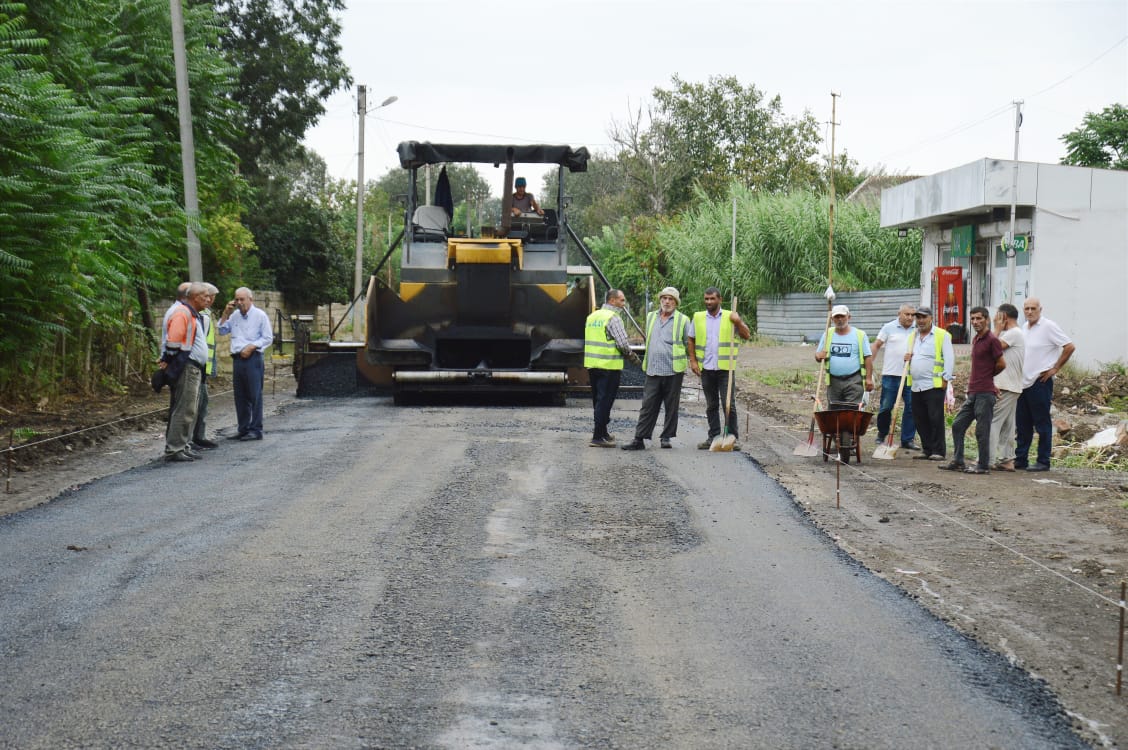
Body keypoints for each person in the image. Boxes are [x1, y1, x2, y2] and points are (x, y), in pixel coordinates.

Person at [622, 287, 693, 450]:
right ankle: (639, 439)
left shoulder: (683, 320)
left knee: (671, 405)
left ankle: (666, 437)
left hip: (673, 369)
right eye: (664, 298)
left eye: (670, 299)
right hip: (653, 368)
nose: (667, 302)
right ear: (660, 300)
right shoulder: (651, 316)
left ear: (676, 302)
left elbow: (687, 343)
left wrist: (693, 362)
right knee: (648, 405)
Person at [941, 306, 1005, 474]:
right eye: (973, 319)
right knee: (957, 425)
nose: (975, 322)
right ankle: (958, 461)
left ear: (987, 319)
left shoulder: (992, 340)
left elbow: (1001, 364)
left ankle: (983, 466)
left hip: (985, 393)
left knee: (982, 431)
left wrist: (988, 378)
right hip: (974, 392)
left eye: (979, 318)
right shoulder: (976, 339)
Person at [1015, 298, 1076, 472]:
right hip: (1023, 383)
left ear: (1040, 309)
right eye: (1027, 308)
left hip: (1040, 382)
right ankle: (1021, 458)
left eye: (1033, 308)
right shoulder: (1024, 328)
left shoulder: (1048, 326)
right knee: (1023, 423)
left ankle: (1043, 461)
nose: (1029, 312)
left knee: (1042, 423)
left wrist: (1055, 368)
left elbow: (1069, 346)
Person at [688, 287, 751, 450]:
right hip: (706, 368)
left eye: (712, 299)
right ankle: (713, 437)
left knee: (728, 404)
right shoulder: (698, 317)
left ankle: (732, 438)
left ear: (720, 300)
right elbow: (691, 339)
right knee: (711, 405)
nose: (709, 302)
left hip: (725, 369)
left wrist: (738, 322)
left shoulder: (731, 316)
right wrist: (693, 361)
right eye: (706, 299)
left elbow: (746, 335)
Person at [814, 304, 874, 456]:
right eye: (836, 317)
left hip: (854, 380)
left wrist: (868, 379)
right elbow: (818, 355)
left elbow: (868, 357)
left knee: (851, 412)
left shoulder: (859, 335)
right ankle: (838, 441)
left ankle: (850, 441)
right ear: (832, 319)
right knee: (834, 412)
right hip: (833, 381)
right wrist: (819, 356)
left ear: (849, 317)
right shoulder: (828, 334)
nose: (840, 319)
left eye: (842, 316)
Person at [160, 282, 211, 462]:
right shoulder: (183, 313)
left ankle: (182, 446)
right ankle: (175, 449)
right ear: (195, 297)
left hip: (191, 367)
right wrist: (170, 360)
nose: (208, 299)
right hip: (187, 367)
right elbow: (173, 342)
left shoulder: (190, 313)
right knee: (184, 409)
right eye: (205, 296)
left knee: (189, 409)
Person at [584, 288, 640, 447]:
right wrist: (632, 357)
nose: (624, 303)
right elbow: (622, 344)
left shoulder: (592, 317)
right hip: (609, 366)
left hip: (592, 365)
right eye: (622, 300)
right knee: (605, 401)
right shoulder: (613, 318)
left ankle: (603, 432)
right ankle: (597, 437)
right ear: (612, 300)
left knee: (598, 400)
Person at [218, 287, 273, 441]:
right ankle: (243, 428)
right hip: (237, 359)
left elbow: (268, 338)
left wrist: (252, 346)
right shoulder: (234, 316)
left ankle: (256, 430)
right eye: (237, 299)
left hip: (253, 358)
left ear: (250, 299)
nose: (239, 302)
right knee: (240, 396)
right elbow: (222, 331)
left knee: (255, 395)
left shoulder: (260, 315)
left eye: (242, 299)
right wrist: (225, 314)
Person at [906, 306, 955, 461]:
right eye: (918, 318)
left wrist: (946, 379)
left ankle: (938, 451)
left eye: (923, 317)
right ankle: (927, 449)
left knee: (935, 419)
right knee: (920, 419)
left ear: (931, 318)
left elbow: (949, 358)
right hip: (916, 385)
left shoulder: (942, 335)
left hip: (934, 384)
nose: (920, 321)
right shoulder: (912, 336)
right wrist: (907, 358)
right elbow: (910, 359)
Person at [870, 303, 919, 450]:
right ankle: (882, 433)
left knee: (912, 407)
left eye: (912, 315)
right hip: (890, 374)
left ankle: (907, 439)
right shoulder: (889, 327)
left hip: (910, 375)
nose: (910, 317)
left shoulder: (918, 329)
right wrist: (869, 365)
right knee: (886, 407)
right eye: (907, 314)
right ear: (899, 314)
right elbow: (876, 345)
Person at [988, 303, 1025, 472]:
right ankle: (1007, 459)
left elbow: (990, 346)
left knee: (993, 421)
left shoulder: (1013, 333)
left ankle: (987, 459)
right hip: (1011, 385)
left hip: (1005, 385)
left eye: (997, 316)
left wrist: (995, 329)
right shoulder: (1014, 333)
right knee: (1008, 425)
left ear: (1004, 316)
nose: (995, 318)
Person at [190, 283, 220, 451]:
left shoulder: (206, 314)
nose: (210, 300)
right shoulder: (199, 315)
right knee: (196, 404)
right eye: (208, 297)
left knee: (202, 403)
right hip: (197, 366)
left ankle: (198, 437)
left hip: (203, 366)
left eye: (211, 297)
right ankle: (192, 439)